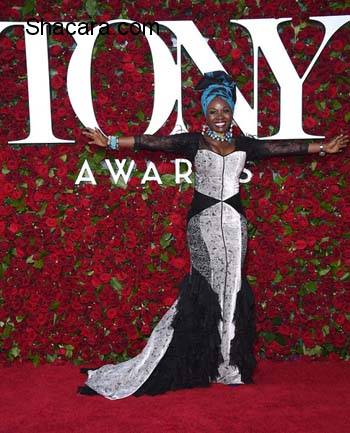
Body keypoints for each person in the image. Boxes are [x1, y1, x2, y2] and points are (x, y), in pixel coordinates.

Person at [77, 71, 348, 400]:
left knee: (232, 287)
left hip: (235, 224)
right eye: (213, 111)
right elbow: (153, 142)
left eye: (225, 110)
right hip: (202, 223)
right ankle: (193, 360)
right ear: (205, 113)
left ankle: (226, 364)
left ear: (232, 111)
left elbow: (280, 147)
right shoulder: (193, 142)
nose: (220, 117)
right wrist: (112, 141)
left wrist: (322, 147)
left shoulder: (244, 144)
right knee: (204, 290)